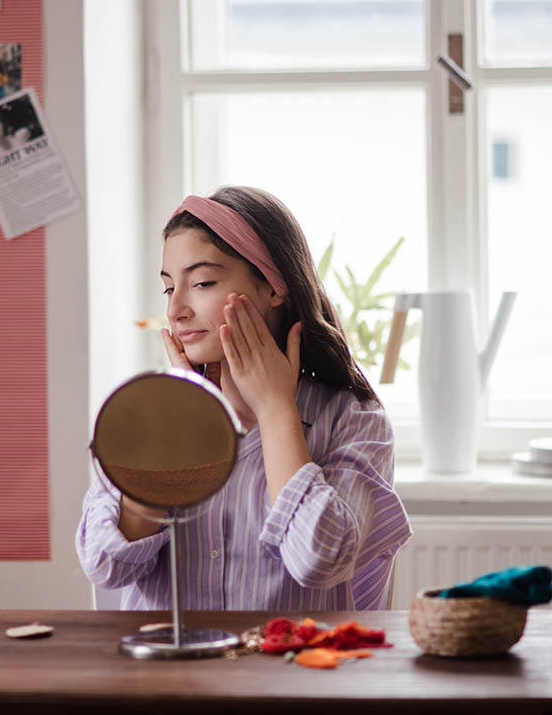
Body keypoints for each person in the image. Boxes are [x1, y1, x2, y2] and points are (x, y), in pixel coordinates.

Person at [76, 186, 412, 611]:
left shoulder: (353, 419)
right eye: (168, 288)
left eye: (202, 283)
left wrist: (275, 411)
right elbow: (105, 565)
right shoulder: (149, 413)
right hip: (169, 657)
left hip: (291, 656)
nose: (176, 310)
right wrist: (175, 426)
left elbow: (319, 560)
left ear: (273, 287)